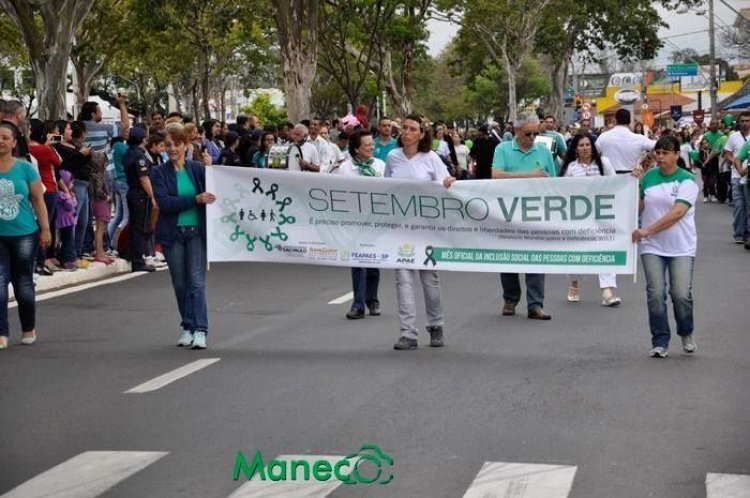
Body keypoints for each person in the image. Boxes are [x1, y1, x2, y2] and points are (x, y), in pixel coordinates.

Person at [385, 113, 455, 350]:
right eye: (403, 128)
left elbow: (446, 180)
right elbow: (385, 188)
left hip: (426, 230)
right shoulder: (393, 157)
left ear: (422, 134)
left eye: (412, 128)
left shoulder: (431, 157)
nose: (406, 132)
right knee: (403, 280)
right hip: (402, 229)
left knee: (429, 280)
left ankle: (436, 325)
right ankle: (408, 333)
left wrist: (446, 182)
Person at [632, 135, 698, 358]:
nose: (659, 157)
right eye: (657, 153)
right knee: (655, 293)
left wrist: (647, 230)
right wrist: (634, 184)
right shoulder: (649, 177)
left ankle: (686, 331)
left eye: (665, 153)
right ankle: (660, 340)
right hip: (652, 247)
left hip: (681, 246)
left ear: (677, 155)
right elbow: (638, 207)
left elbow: (677, 213)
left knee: (681, 294)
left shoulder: (687, 180)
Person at [150, 127, 217, 349]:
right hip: (172, 235)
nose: (172, 149)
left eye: (176, 144)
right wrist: (194, 199)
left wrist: (211, 168)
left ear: (185, 145)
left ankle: (201, 329)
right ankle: (187, 325)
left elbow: (215, 190)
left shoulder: (197, 169)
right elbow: (165, 203)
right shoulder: (158, 173)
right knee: (180, 284)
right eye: (168, 145)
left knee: (196, 282)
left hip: (196, 232)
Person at [492, 113, 557, 320]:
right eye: (528, 133)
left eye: (535, 134)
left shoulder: (544, 152)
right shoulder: (502, 149)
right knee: (509, 257)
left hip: (536, 214)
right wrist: (530, 176)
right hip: (509, 213)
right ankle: (510, 299)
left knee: (536, 257)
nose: (532, 138)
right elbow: (496, 175)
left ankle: (535, 304)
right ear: (517, 131)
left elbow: (554, 182)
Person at [0, 123, 51, 349]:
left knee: (23, 284)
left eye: (5, 137)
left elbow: (38, 200)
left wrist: (45, 228)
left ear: (13, 142)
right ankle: (2, 332)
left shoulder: (26, 168)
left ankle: (28, 328)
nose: (0, 141)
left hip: (24, 234)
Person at [559, 133, 623, 306]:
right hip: (578, 219)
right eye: (581, 145)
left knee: (605, 250)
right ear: (575, 149)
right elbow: (563, 192)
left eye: (588, 145)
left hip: (601, 217)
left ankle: (607, 291)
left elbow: (617, 184)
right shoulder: (571, 168)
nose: (585, 148)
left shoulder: (604, 164)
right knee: (575, 252)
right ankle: (574, 283)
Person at [334, 130, 385, 319]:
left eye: (373, 144)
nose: (372, 147)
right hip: (354, 222)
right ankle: (358, 305)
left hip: (375, 222)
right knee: (357, 262)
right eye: (367, 144)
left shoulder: (380, 166)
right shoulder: (345, 169)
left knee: (373, 263)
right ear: (356, 149)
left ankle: (373, 300)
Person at [52, 121, 92, 269]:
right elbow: (65, 165)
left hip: (80, 184)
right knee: (71, 222)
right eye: (68, 129)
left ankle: (78, 252)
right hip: (70, 186)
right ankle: (70, 255)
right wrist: (80, 155)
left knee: (84, 220)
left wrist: (85, 155)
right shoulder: (58, 148)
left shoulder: (74, 146)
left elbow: (82, 162)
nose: (71, 131)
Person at [28, 120, 62, 275]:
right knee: (45, 226)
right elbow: (59, 161)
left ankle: (34, 260)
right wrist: (48, 145)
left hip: (32, 188)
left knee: (34, 225)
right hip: (48, 188)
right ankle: (40, 262)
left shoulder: (26, 149)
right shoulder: (45, 149)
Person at [123, 126, 157, 272]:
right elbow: (144, 178)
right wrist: (152, 196)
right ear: (143, 139)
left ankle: (135, 255)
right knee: (141, 227)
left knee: (136, 225)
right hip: (140, 194)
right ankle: (138, 260)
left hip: (133, 192)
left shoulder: (129, 153)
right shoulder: (139, 156)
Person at [595, 109, 655, 174]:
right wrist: (648, 156)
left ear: (616, 120)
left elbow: (593, 152)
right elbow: (659, 145)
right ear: (629, 121)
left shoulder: (603, 136)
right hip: (631, 177)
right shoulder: (639, 138)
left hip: (608, 177)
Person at [723, 111, 750, 244]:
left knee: (748, 206)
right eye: (743, 121)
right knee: (739, 206)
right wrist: (735, 160)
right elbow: (726, 153)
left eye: (747, 121)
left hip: (749, 178)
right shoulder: (733, 137)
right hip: (736, 175)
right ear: (738, 122)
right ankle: (738, 233)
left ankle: (747, 233)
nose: (745, 123)